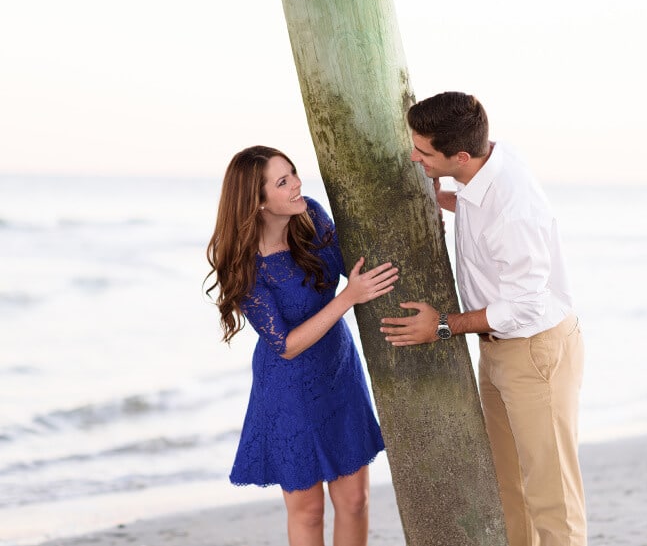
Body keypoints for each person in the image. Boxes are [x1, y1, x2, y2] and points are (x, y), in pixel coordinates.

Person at [379, 92, 586, 546]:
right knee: (507, 486)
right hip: (496, 348)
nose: (414, 156)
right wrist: (444, 200)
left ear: (461, 155)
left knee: (553, 498)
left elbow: (527, 305)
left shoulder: (512, 209)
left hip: (535, 351)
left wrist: (442, 325)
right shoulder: (489, 161)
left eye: (423, 151)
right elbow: (479, 205)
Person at [205, 145, 398, 546]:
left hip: (339, 371)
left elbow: (355, 263)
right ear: (257, 202)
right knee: (308, 511)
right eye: (283, 181)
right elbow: (286, 346)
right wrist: (348, 298)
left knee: (356, 500)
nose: (297, 184)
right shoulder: (245, 264)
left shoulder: (309, 214)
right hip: (288, 388)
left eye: (292, 173)